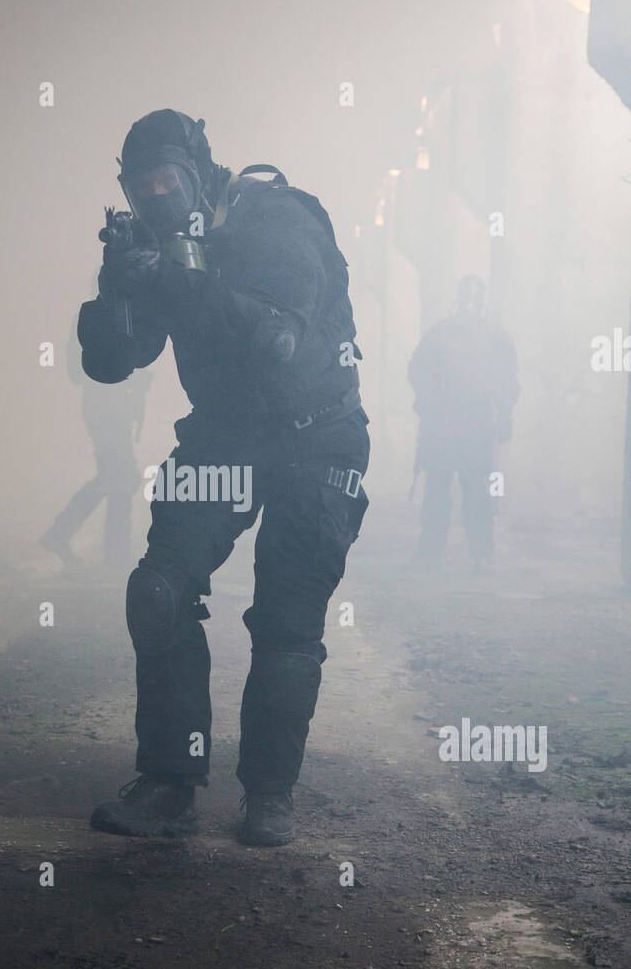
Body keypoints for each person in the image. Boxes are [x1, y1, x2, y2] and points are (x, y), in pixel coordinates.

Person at [77, 110, 369, 846]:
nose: (157, 196)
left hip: (316, 439)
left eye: (166, 179)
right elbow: (113, 363)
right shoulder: (158, 243)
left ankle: (269, 794)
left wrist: (173, 280)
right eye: (140, 187)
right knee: (160, 590)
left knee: (286, 621)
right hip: (226, 439)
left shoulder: (278, 220)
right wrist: (117, 289)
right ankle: (170, 780)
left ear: (200, 172)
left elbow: (276, 338)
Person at [408, 275, 520, 569]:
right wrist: (428, 405)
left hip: (472, 422)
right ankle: (435, 552)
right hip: (447, 423)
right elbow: (419, 372)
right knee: (442, 489)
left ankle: (477, 553)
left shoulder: (488, 337)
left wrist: (504, 415)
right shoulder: (444, 334)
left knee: (474, 491)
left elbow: (507, 380)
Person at [40, 326, 151, 570]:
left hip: (108, 410)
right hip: (105, 411)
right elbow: (81, 373)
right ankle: (111, 551)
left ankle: (68, 536)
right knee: (122, 478)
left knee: (116, 477)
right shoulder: (101, 319)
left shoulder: (102, 317)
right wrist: (130, 375)